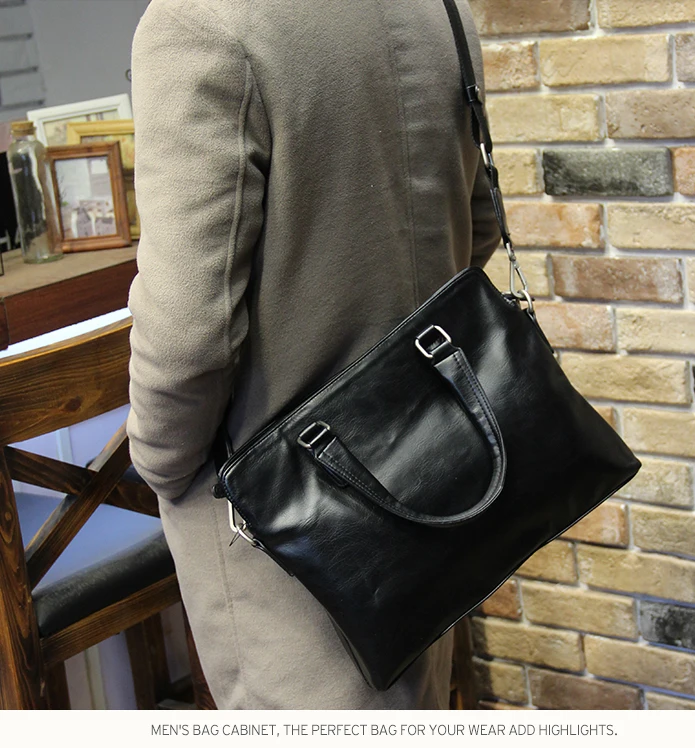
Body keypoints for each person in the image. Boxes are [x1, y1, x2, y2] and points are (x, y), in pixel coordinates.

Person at [126, 0, 501, 710]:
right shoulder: (438, 10)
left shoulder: (198, 24)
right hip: (432, 467)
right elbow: (477, 230)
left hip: (280, 525)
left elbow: (187, 337)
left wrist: (160, 467)